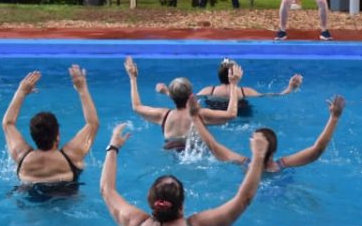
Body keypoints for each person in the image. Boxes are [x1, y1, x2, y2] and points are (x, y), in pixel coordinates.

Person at [100, 122, 264, 226]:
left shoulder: (135, 224)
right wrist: (257, 157)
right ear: (182, 204)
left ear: (150, 200)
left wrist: (113, 147)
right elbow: (244, 199)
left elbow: (106, 189)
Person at [2, 67, 99, 192]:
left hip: (30, 201)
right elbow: (92, 123)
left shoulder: (22, 156)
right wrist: (82, 89)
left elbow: (8, 123)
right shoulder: (73, 155)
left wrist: (21, 91)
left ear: (32, 136)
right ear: (57, 135)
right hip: (65, 201)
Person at [191, 95, 344, 173]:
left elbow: (213, 146)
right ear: (274, 150)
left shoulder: (244, 163)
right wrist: (334, 118)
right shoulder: (283, 165)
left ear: (253, 147)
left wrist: (195, 118)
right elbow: (317, 150)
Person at [124, 56, 237, 151]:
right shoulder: (200, 115)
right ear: (191, 95)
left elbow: (136, 106)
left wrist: (132, 78)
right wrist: (233, 84)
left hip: (169, 151)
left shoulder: (163, 115)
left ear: (172, 96)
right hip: (194, 155)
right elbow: (231, 114)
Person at [197, 59, 302, 116]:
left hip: (217, 117)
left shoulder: (208, 90)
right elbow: (275, 96)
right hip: (242, 117)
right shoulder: (245, 92)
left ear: (219, 74)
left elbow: (188, 100)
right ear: (239, 74)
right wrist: (290, 88)